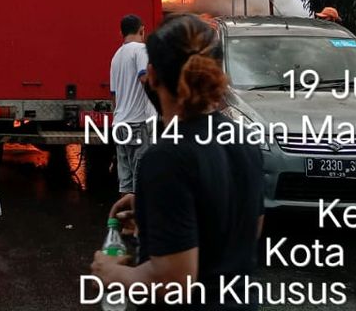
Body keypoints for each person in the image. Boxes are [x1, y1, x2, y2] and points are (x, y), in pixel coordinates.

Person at [91, 15, 263, 310]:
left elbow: (173, 281)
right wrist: (154, 208)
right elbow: (247, 227)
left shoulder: (165, 158)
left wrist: (111, 272)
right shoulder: (245, 140)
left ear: (152, 75)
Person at [110, 14, 155, 195]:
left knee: (126, 180)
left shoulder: (116, 56)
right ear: (142, 30)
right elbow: (145, 78)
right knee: (142, 177)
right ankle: (138, 221)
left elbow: (113, 95)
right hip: (139, 123)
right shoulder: (141, 50)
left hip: (120, 123)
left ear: (121, 32)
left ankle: (126, 221)